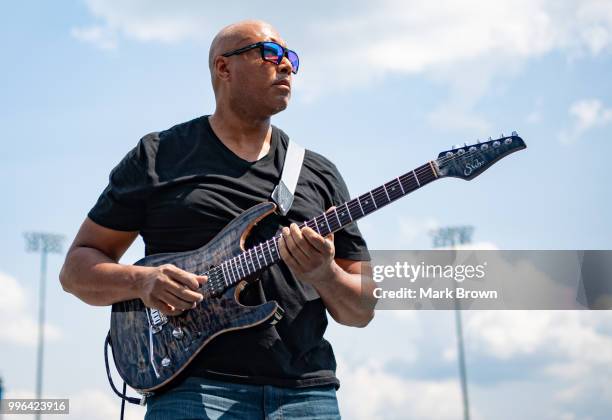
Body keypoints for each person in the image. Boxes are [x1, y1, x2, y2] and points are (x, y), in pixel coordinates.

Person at [60, 19, 377, 419]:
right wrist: (143, 281)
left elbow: (361, 310)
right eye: (270, 53)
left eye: (291, 58)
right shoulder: (158, 156)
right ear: (223, 68)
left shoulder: (320, 174)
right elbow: (76, 270)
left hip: (305, 394)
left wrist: (324, 273)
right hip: (193, 390)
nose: (286, 67)